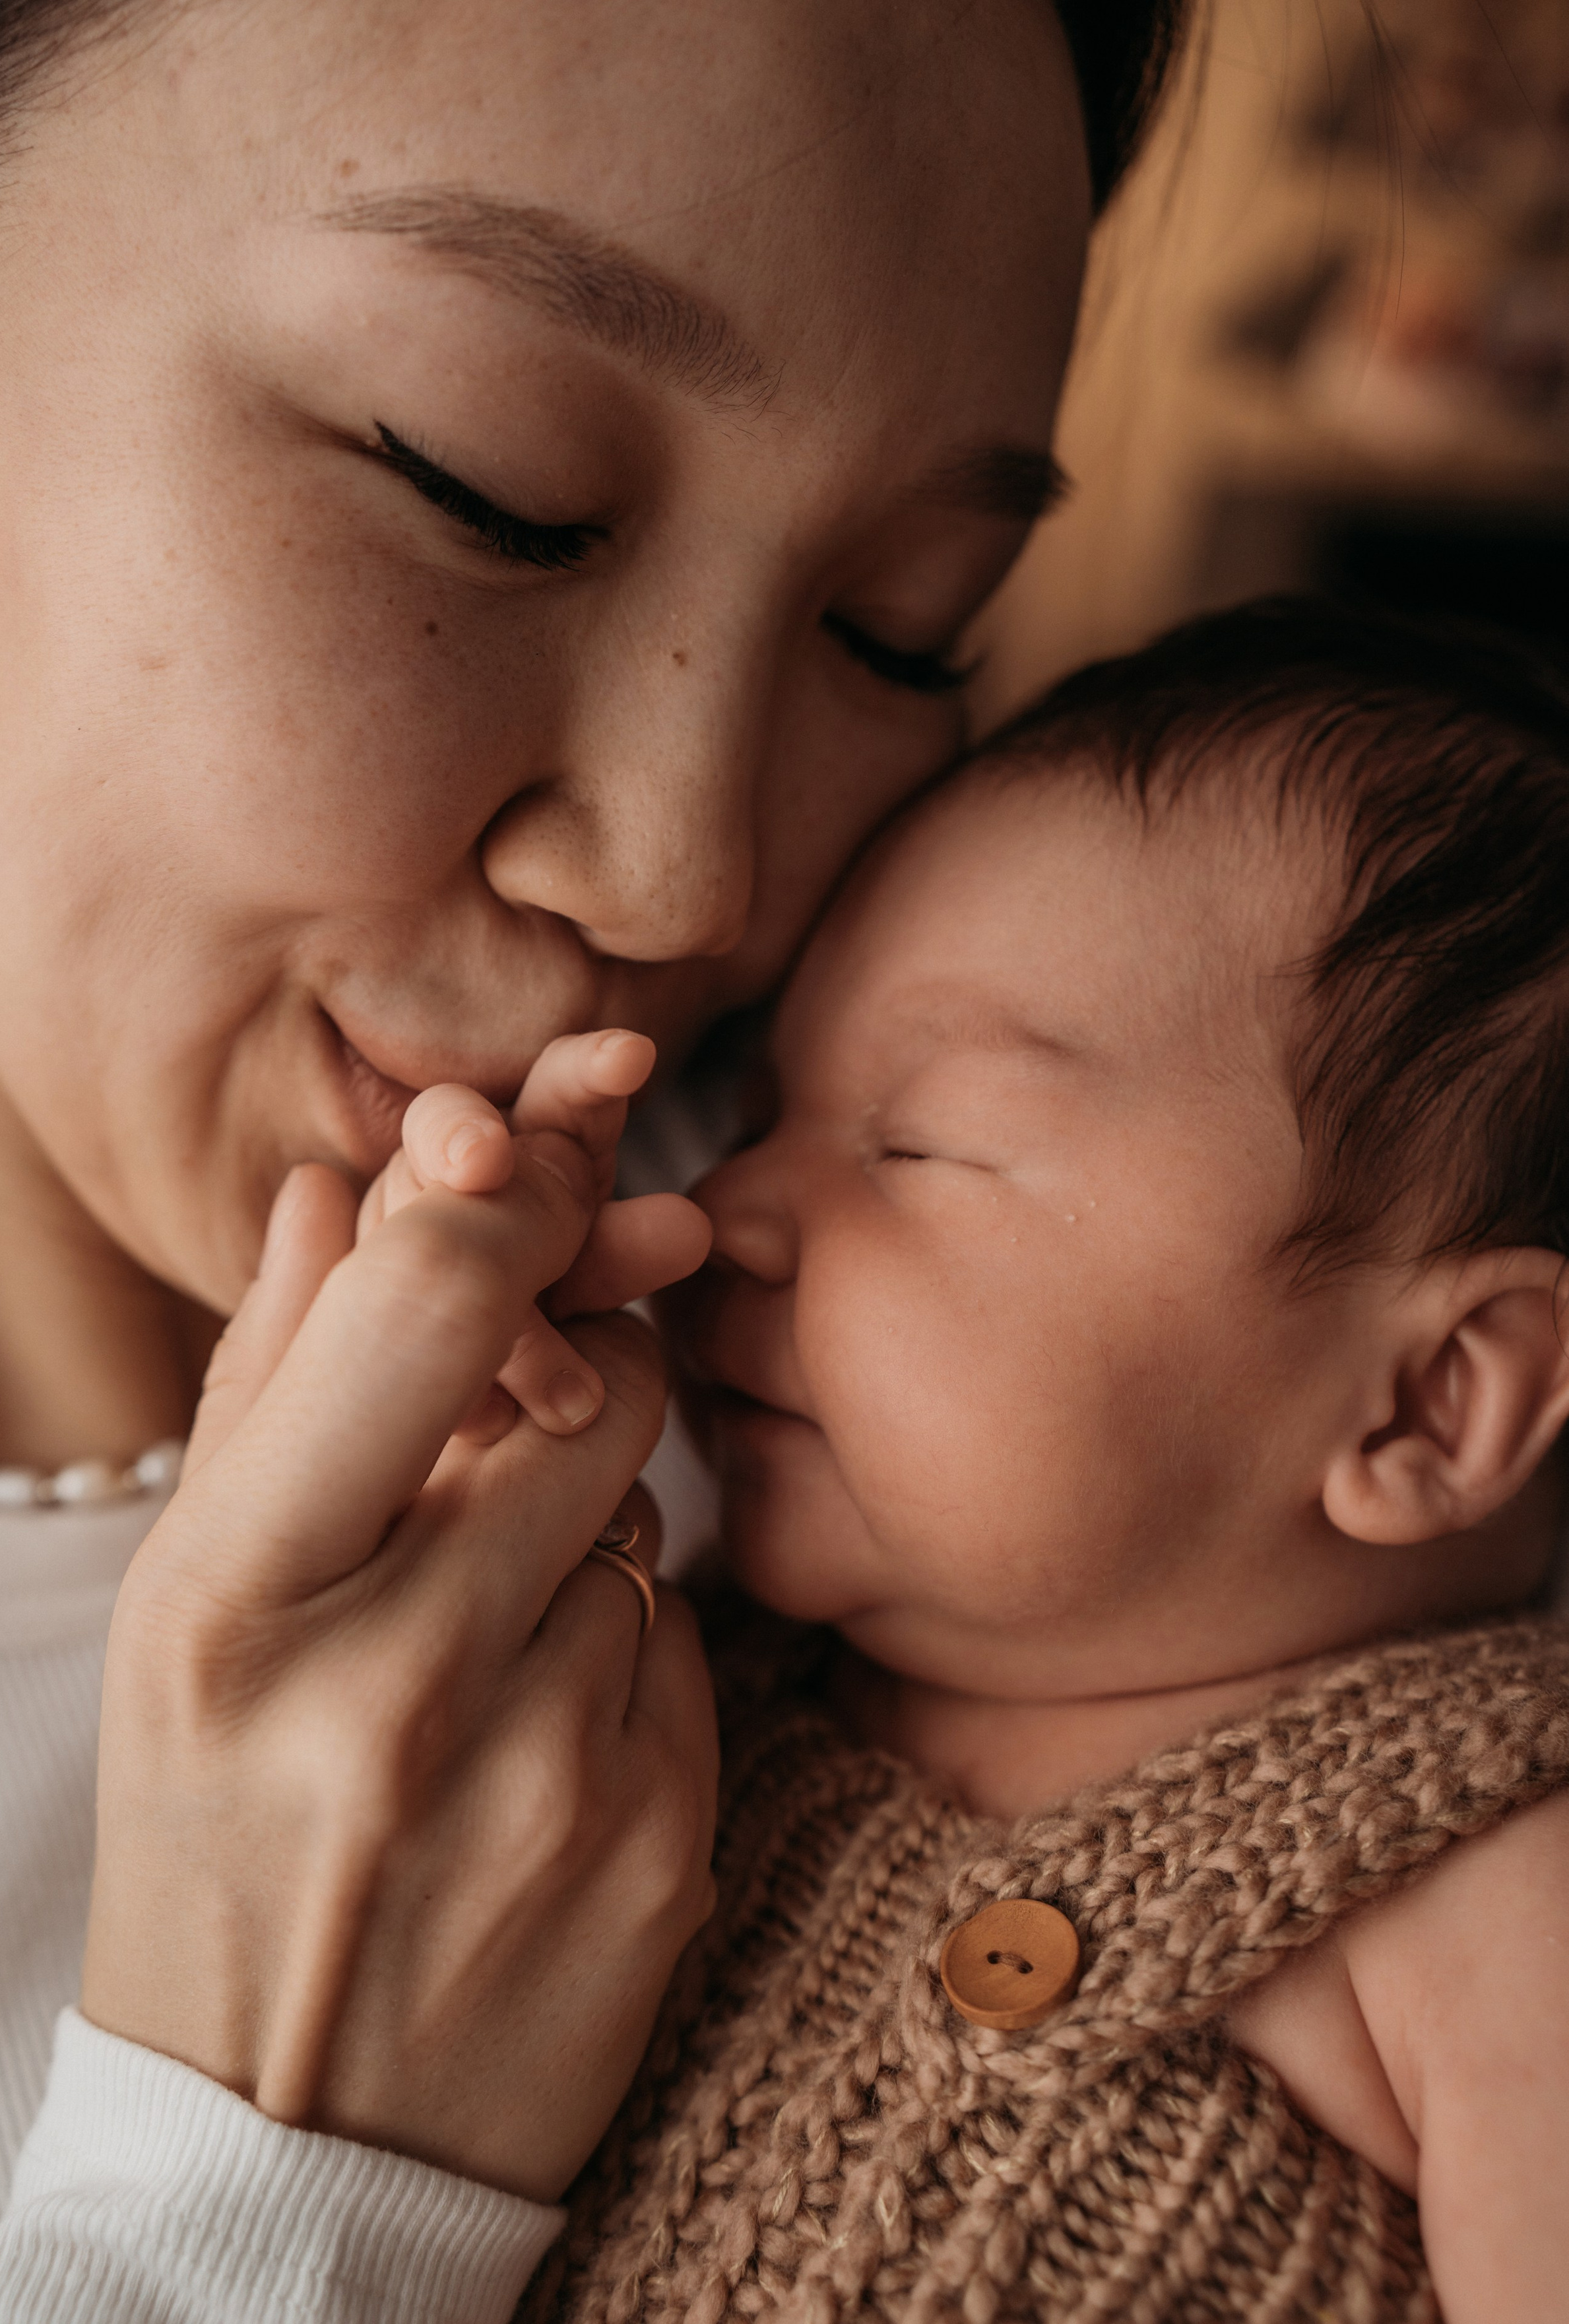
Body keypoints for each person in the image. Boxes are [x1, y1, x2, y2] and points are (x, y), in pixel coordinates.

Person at [0, 0, 1198, 2317]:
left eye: (908, 628)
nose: (693, 879)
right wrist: (268, 2202)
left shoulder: (977, 1352)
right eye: (487, 489)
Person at [546, 597, 1564, 2324]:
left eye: (926, 1140)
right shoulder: (665, 1683)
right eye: (766, 1102)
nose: (731, 1206)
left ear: (1426, 1410)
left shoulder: (1492, 1903)